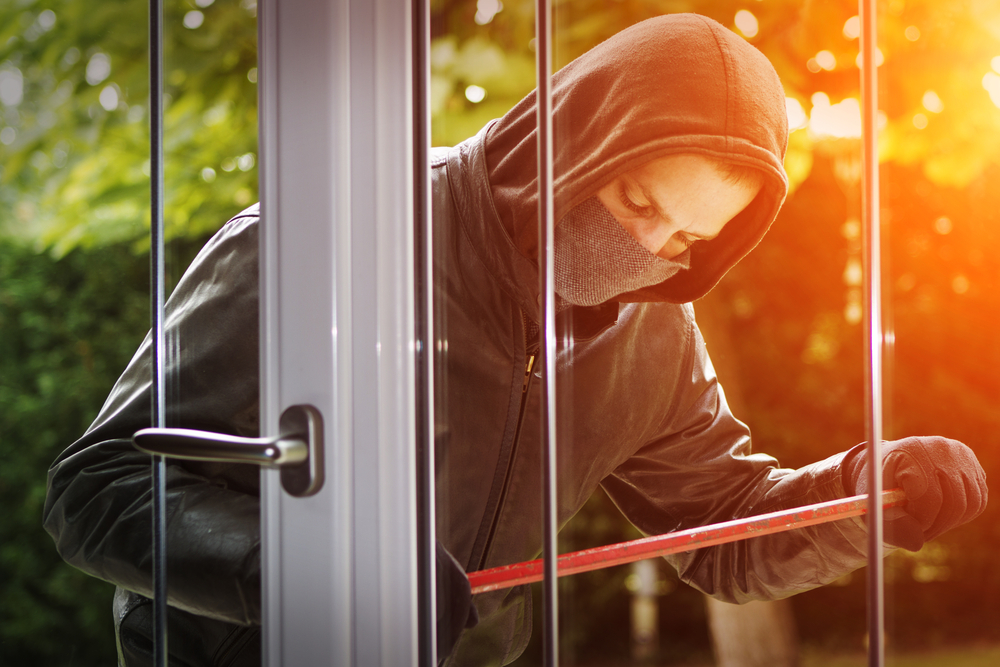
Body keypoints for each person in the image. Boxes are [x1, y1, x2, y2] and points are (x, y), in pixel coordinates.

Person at [44, 13, 986, 667]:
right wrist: (304, 572)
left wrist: (863, 496)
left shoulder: (656, 329)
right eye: (635, 200)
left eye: (689, 240)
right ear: (574, 135)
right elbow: (97, 488)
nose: (646, 252)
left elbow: (726, 528)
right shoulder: (318, 236)